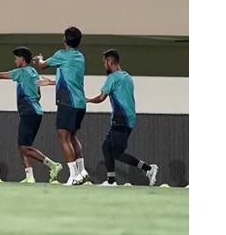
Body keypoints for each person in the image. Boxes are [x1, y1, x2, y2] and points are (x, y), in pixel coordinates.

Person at [0, 46, 63, 184]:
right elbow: (38, 94)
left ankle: (52, 165)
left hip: (29, 112)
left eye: (16, 58)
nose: (15, 60)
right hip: (35, 112)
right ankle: (29, 177)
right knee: (23, 145)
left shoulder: (22, 72)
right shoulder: (33, 72)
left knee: (24, 147)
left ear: (22, 59)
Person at [86, 49, 158, 186]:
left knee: (117, 153)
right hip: (129, 119)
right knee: (106, 147)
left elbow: (101, 98)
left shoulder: (113, 78)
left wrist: (88, 100)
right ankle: (111, 180)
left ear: (110, 61)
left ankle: (148, 168)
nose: (104, 66)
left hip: (120, 118)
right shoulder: (128, 77)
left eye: (104, 63)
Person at [33, 26, 90, 185]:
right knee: (72, 136)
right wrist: (50, 82)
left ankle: (73, 176)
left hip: (68, 102)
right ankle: (82, 171)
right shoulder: (80, 57)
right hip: (80, 103)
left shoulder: (61, 55)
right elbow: (68, 79)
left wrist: (39, 59)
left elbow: (43, 65)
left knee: (63, 137)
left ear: (65, 39)